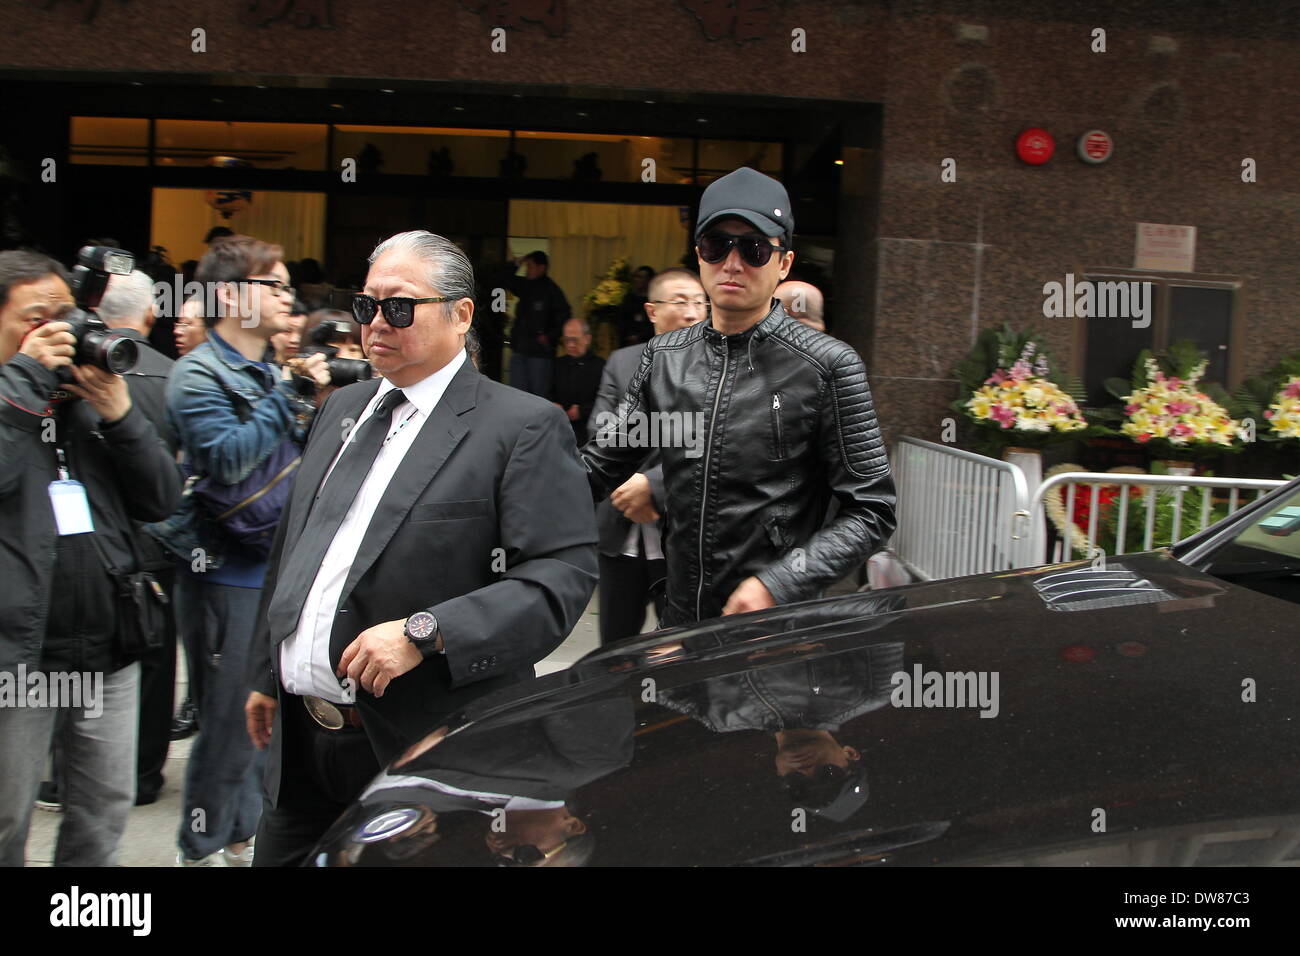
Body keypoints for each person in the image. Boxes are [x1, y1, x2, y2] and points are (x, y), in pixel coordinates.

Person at [243, 230, 598, 867]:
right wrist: (268, 673)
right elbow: (298, 550)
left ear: (461, 315)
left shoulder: (520, 426)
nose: (377, 323)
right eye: (366, 305)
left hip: (422, 751)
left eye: (400, 307)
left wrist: (426, 632)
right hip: (301, 745)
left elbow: (558, 579)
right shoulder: (343, 408)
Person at [581, 167, 896, 626]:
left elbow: (872, 510)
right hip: (682, 620)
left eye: (753, 249)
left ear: (783, 263)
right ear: (699, 256)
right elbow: (601, 463)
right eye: (716, 245)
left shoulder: (827, 366)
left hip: (774, 628)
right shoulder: (664, 358)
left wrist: (779, 582)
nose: (732, 263)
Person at [145, 235, 329, 867]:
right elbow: (225, 461)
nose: (287, 297)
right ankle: (198, 850)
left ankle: (242, 838)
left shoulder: (264, 370)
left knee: (263, 717)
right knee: (227, 722)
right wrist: (289, 393)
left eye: (286, 286)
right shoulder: (198, 375)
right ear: (230, 295)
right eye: (272, 285)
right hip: (225, 571)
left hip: (277, 565)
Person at [0, 250, 181, 866]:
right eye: (35, 319)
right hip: (20, 656)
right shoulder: (17, 395)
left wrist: (120, 415)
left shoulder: (85, 396)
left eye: (64, 315)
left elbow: (161, 500)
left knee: (105, 808)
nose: (57, 332)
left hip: (108, 642)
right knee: (6, 818)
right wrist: (23, 378)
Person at [95, 269, 181, 806]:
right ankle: (143, 774)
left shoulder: (64, 374)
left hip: (88, 547)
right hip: (153, 545)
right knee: (152, 659)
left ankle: (64, 773)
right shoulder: (173, 376)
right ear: (150, 314)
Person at [591, 268, 707, 643]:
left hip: (685, 535)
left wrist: (654, 486)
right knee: (614, 645)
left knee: (681, 647)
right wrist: (630, 487)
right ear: (652, 310)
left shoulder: (719, 367)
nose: (691, 312)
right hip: (620, 531)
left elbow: (712, 443)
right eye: (680, 302)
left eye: (698, 302)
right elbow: (602, 432)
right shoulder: (623, 363)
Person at [497, 250, 569, 396]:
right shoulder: (525, 285)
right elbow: (503, 279)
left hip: (539, 353)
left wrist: (549, 337)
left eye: (530, 266)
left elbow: (565, 316)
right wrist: (517, 263)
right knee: (517, 395)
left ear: (541, 268)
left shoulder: (552, 290)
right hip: (519, 349)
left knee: (538, 397)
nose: (527, 269)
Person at [549, 318, 604, 446]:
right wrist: (553, 405)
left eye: (574, 340)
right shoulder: (558, 364)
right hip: (560, 430)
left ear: (587, 339)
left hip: (589, 431)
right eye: (566, 340)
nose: (570, 345)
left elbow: (606, 401)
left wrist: (582, 411)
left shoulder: (600, 366)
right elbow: (548, 392)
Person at [617, 265, 656, 346]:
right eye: (635, 277)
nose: (636, 280)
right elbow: (622, 320)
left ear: (649, 280)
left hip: (647, 343)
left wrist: (639, 337)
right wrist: (629, 336)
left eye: (640, 277)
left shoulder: (654, 301)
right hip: (627, 343)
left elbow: (655, 324)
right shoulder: (628, 298)